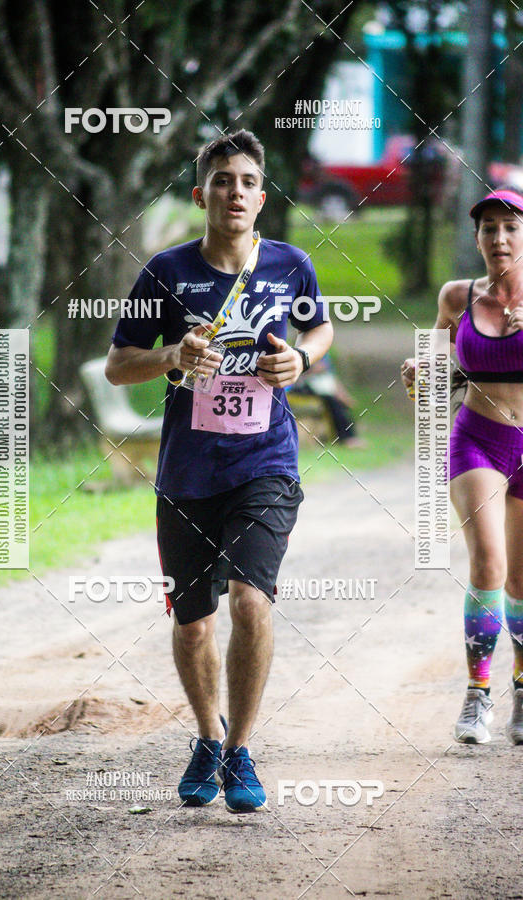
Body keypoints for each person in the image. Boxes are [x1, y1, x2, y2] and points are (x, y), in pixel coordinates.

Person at [105, 130, 333, 810]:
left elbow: (318, 329)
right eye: (222, 180)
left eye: (247, 182)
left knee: (251, 601)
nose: (235, 191)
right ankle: (209, 735)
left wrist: (303, 360)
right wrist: (173, 355)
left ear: (261, 198)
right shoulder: (167, 272)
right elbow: (119, 364)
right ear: (201, 193)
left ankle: (241, 753)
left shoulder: (290, 265)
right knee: (194, 622)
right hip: (186, 473)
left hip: (265, 462)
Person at [401, 188, 523, 745]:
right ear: (476, 238)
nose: (499, 238)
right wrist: (419, 377)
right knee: (489, 563)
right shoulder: (457, 297)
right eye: (489, 228)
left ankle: (521, 688)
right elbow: (432, 381)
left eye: (511, 227)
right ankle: (478, 696)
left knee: (521, 578)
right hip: (479, 438)